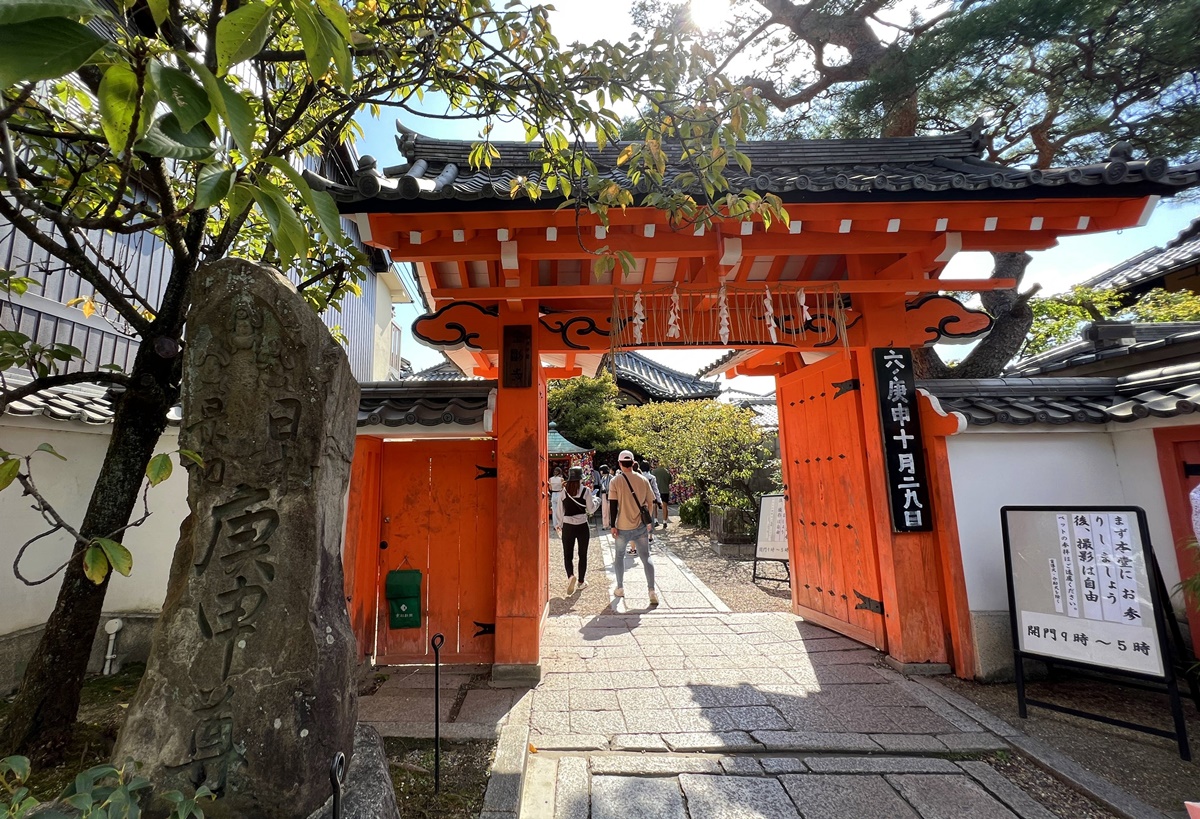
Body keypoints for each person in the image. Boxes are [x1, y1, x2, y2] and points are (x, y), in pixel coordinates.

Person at [608, 449, 658, 605]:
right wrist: (647, 519)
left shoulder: (615, 481)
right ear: (633, 463)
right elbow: (651, 501)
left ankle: (620, 587)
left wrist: (612, 525)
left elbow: (613, 505)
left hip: (622, 526)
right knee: (646, 557)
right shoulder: (643, 480)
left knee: (619, 557)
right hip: (641, 526)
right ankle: (651, 590)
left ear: (620, 463)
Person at [556, 466, 598, 595]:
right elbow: (591, 509)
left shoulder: (564, 492)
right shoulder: (585, 491)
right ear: (580, 478)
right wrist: (597, 501)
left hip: (568, 525)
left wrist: (558, 524)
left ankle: (570, 576)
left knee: (567, 555)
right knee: (582, 554)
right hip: (582, 525)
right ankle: (580, 581)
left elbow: (559, 510)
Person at [632, 461, 661, 553]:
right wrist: (659, 500)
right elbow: (655, 489)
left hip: (639, 500)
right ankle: (650, 537)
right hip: (649, 500)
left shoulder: (638, 477)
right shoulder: (651, 477)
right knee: (650, 517)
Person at [651, 461, 672, 528]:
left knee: (655, 506)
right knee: (665, 506)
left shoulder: (654, 472)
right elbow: (670, 481)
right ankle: (664, 521)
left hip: (656, 491)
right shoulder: (667, 472)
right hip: (665, 490)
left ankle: (656, 520)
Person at [598, 464, 612, 528]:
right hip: (604, 494)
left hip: (610, 494)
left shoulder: (611, 477)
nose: (600, 472)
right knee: (604, 510)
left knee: (610, 510)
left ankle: (610, 523)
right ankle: (605, 524)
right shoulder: (602, 478)